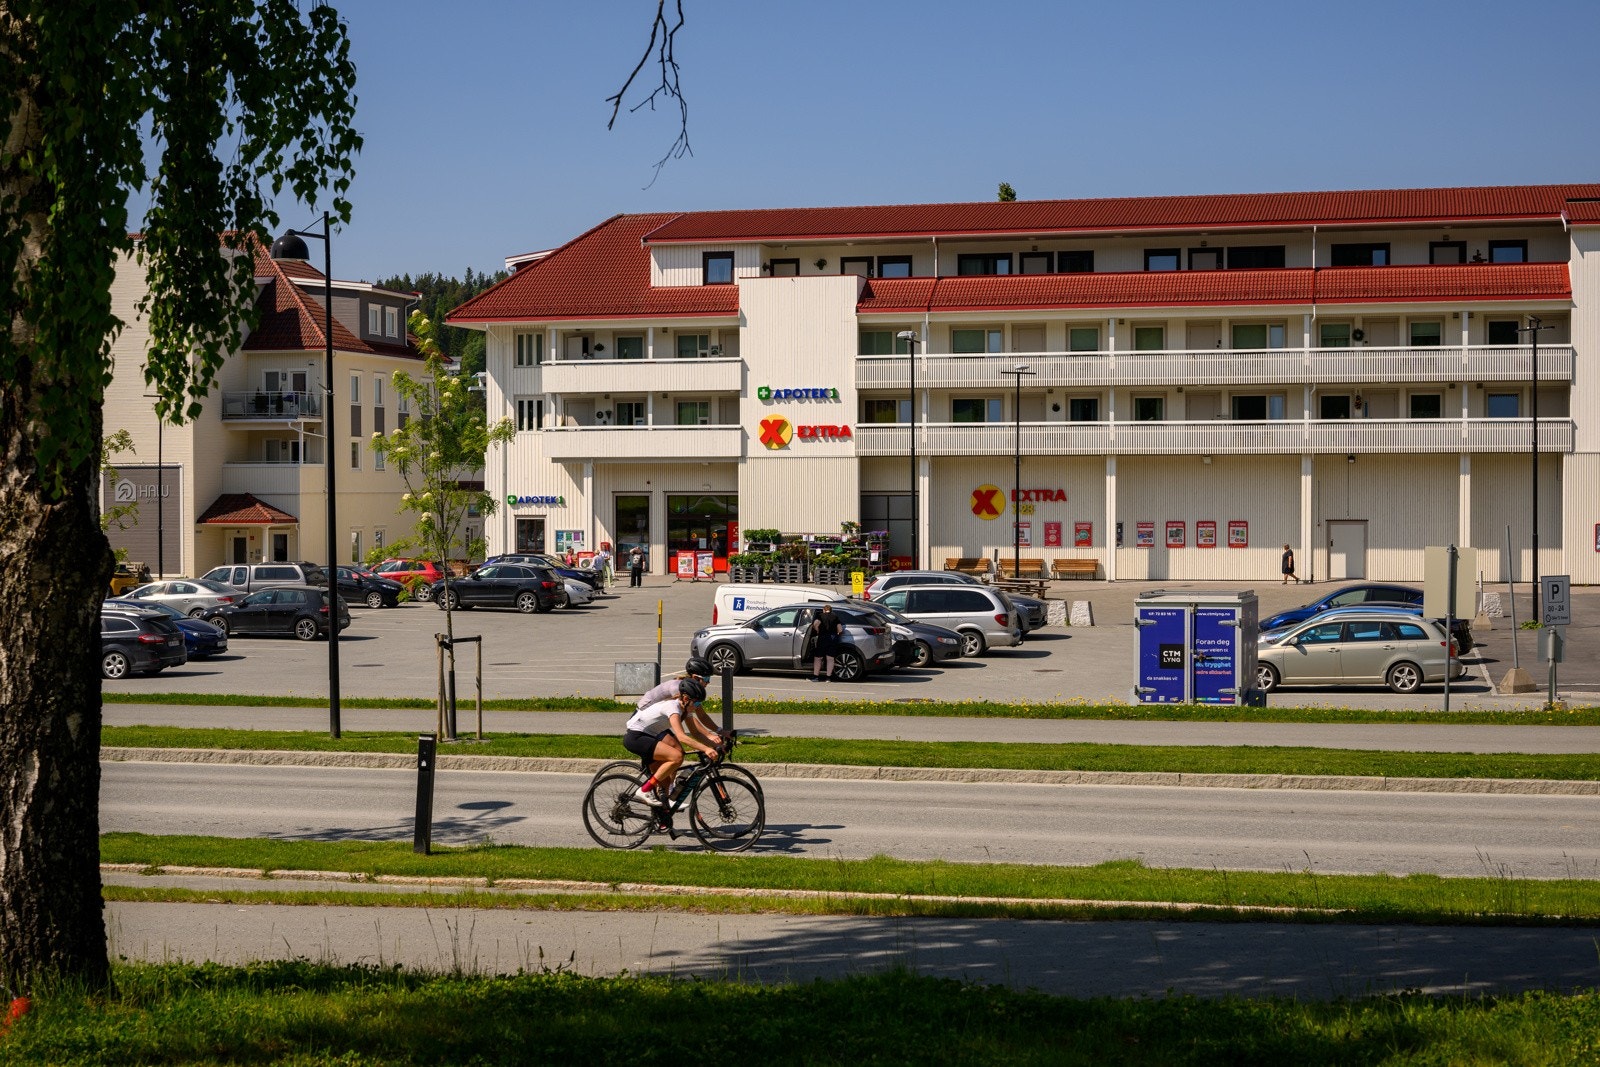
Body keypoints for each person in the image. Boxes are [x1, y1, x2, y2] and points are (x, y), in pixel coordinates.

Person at [621, 677, 720, 808]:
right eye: (696, 703)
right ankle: (644, 790)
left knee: (665, 781)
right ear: (685, 699)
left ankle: (662, 822)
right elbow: (682, 736)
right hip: (636, 737)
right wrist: (706, 749)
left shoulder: (684, 709)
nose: (697, 707)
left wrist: (716, 745)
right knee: (677, 756)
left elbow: (695, 733)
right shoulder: (673, 708)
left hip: (648, 736)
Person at [634, 657, 711, 713]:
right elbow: (689, 720)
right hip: (643, 712)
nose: (708, 682)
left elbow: (702, 715)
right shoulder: (678, 688)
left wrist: (718, 730)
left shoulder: (692, 690)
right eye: (707, 679)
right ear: (695, 678)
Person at [810, 602, 844, 681]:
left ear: (824, 610)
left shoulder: (820, 616)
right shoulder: (835, 617)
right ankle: (828, 678)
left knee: (818, 658)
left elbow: (815, 624)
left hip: (822, 638)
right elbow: (840, 629)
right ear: (831, 610)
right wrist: (836, 634)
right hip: (832, 639)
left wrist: (818, 631)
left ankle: (816, 676)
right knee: (830, 658)